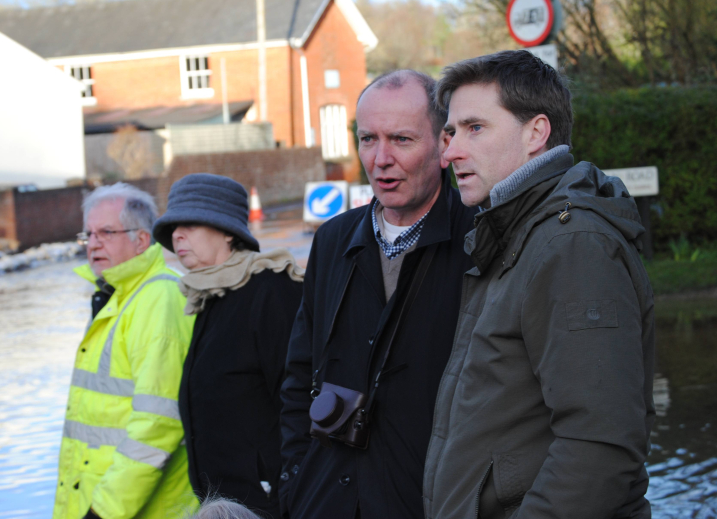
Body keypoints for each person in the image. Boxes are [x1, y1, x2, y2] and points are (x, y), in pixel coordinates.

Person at [423, 50, 655, 518]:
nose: (449, 153)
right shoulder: (516, 234)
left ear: (536, 132)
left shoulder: (572, 245)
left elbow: (600, 448)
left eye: (474, 128)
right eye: (451, 133)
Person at [279, 70, 477, 519]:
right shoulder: (332, 240)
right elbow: (299, 376)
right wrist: (296, 480)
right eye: (368, 139)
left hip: (433, 504)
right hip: (327, 501)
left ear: (443, 144)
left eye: (401, 140)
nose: (380, 159)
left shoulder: (478, 240)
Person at [152, 173, 304, 519]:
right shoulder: (209, 295)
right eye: (173, 227)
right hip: (223, 504)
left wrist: (286, 493)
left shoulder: (270, 289)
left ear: (228, 232)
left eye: (190, 224)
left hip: (270, 505)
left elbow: (298, 400)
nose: (177, 235)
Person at [54, 183, 197, 519]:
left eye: (106, 232)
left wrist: (103, 512)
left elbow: (156, 426)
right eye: (88, 235)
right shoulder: (117, 298)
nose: (93, 244)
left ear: (142, 240)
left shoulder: (157, 299)